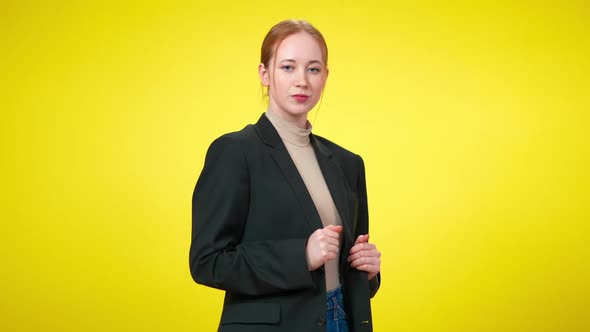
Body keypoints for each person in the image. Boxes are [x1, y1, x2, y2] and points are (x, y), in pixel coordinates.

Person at [189, 19, 381, 332]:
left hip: (340, 319)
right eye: (288, 67)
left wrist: (367, 271)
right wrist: (301, 256)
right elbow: (208, 262)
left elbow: (343, 268)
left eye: (313, 69)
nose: (302, 81)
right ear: (265, 74)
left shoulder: (347, 163)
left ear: (325, 77)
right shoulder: (235, 152)